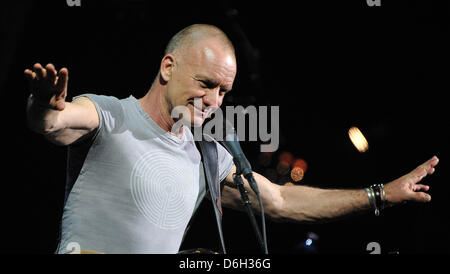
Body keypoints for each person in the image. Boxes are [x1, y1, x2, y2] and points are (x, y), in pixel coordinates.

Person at [25, 24, 439, 254]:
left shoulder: (208, 155)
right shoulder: (112, 113)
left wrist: (379, 194)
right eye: (205, 84)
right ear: (168, 67)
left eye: (223, 91)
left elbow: (281, 201)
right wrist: (43, 103)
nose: (213, 101)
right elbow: (53, 122)